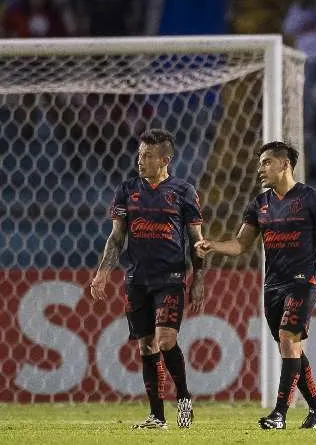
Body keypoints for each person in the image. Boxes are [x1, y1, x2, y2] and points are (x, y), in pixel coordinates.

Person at [196, 141, 316, 430]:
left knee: (288, 339)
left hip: (303, 281)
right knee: (289, 346)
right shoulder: (260, 204)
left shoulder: (313, 198)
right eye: (260, 163)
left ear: (285, 164)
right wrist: (213, 245)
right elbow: (242, 244)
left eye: (267, 162)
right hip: (273, 285)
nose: (261, 169)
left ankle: (279, 413)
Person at [89, 129, 206, 430]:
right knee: (146, 347)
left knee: (166, 340)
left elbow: (196, 239)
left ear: (165, 159)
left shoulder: (183, 191)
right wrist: (103, 272)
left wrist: (199, 278)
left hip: (170, 277)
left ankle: (184, 400)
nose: (140, 161)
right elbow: (116, 237)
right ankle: (157, 416)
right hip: (136, 278)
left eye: (148, 156)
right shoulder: (126, 190)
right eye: (140, 155)